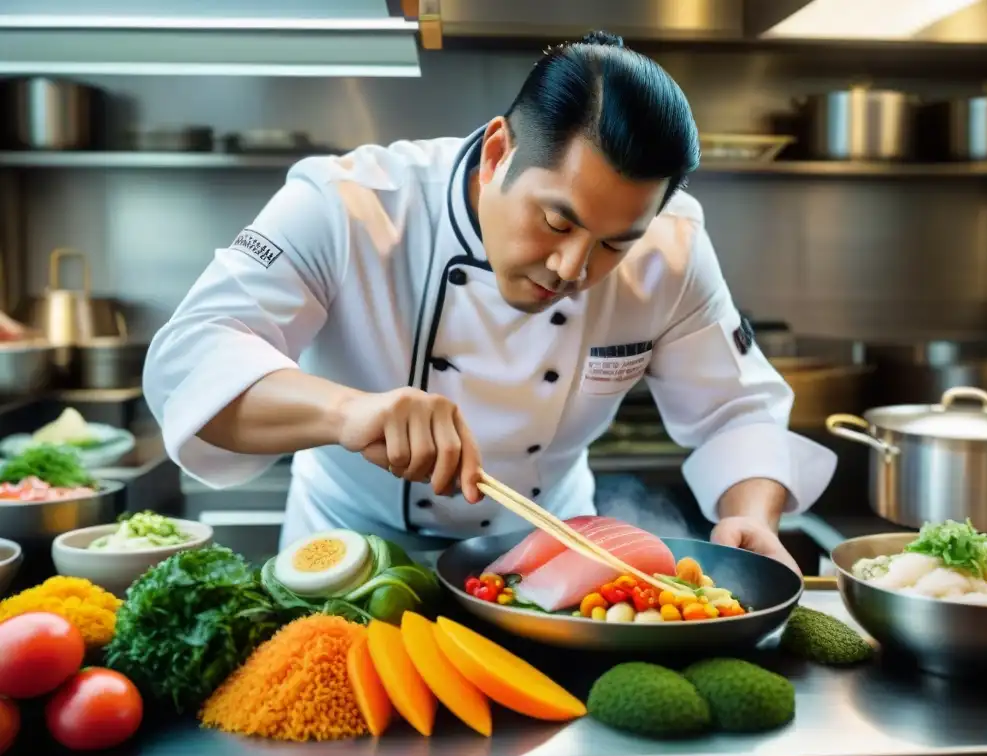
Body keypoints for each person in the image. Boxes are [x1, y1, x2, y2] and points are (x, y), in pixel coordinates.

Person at [143, 31, 837, 571]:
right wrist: (347, 411)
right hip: (345, 556)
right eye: (557, 221)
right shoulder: (350, 206)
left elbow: (736, 412)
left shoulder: (672, 251)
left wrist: (751, 512)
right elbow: (190, 360)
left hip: (550, 560)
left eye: (614, 244)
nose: (573, 267)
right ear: (498, 152)